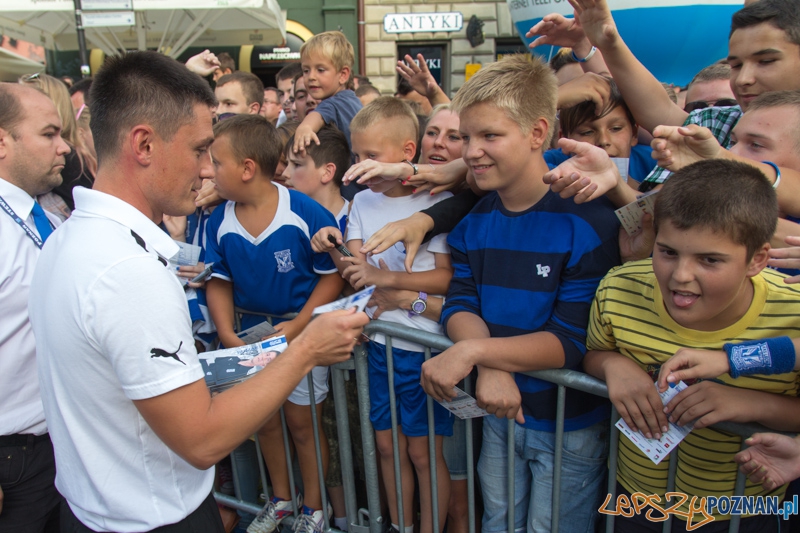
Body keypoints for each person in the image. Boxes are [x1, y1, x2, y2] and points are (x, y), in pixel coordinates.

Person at [27, 50, 368, 533]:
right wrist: (307, 347)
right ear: (143, 144)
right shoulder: (125, 269)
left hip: (98, 509)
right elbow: (203, 439)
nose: (208, 170)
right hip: (152, 517)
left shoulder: (68, 238)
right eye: (198, 150)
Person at [418, 54, 620, 533]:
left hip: (568, 426)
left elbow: (570, 340)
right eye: (467, 137)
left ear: (536, 134)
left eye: (490, 136)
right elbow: (462, 304)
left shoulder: (587, 221)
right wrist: (488, 363)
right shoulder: (474, 222)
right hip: (498, 413)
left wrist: (475, 352)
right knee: (500, 522)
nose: (471, 151)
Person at [584, 158, 800, 531]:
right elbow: (595, 353)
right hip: (634, 499)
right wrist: (612, 367)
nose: (681, 276)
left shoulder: (793, 312)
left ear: (757, 259)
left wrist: (749, 404)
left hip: (741, 511)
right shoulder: (619, 288)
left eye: (710, 260)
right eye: (667, 252)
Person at [313, 96, 454, 533]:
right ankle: (400, 525)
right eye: (356, 156)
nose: (359, 167)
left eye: (371, 156)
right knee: (387, 447)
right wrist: (331, 245)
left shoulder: (439, 200)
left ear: (406, 154)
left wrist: (390, 283)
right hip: (380, 347)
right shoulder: (361, 204)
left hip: (425, 351)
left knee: (422, 452)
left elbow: (448, 280)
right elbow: (358, 274)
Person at [201, 114, 344, 533]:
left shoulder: (305, 211)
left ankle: (314, 509)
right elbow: (219, 280)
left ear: (247, 168)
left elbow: (332, 275)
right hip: (248, 336)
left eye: (216, 161)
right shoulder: (218, 220)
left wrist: (300, 325)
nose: (208, 170)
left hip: (300, 335)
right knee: (261, 420)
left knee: (304, 423)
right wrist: (228, 334)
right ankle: (281, 499)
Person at [535, 0, 800, 217]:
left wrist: (718, 163)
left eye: (765, 61)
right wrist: (606, 43)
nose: (744, 79)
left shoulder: (714, 151)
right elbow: (661, 217)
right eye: (737, 66)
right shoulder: (716, 122)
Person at [0, 82, 70, 533]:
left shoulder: (44, 214)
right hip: (12, 461)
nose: (63, 147)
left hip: (57, 447)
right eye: (48, 134)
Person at [292, 31, 362, 155]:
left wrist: (305, 127)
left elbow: (317, 116)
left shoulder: (334, 103)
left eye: (320, 70)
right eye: (306, 70)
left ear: (343, 75)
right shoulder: (353, 100)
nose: (311, 77)